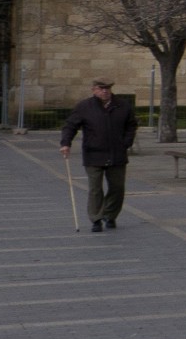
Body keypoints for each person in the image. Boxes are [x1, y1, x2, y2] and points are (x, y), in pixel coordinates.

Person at [58, 79, 138, 233]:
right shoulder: (84, 106)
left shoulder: (122, 105)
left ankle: (110, 215)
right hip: (93, 153)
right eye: (101, 88)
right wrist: (65, 143)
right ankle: (96, 218)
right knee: (95, 188)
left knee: (117, 187)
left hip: (117, 153)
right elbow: (70, 125)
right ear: (93, 90)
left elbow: (131, 125)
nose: (105, 91)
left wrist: (126, 142)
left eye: (107, 88)